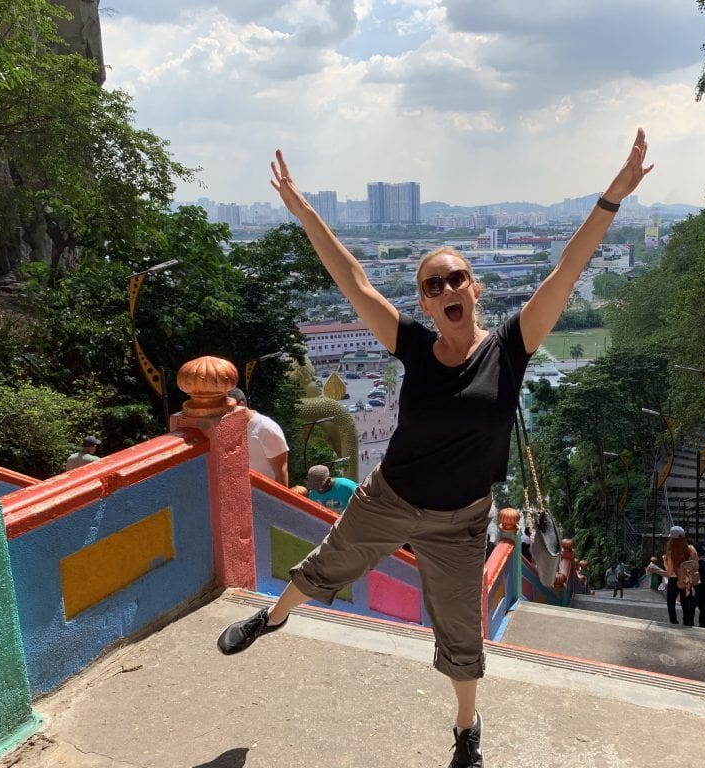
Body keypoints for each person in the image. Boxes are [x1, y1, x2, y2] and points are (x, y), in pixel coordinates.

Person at [217, 130, 652, 768]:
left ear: (475, 289)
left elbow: (567, 269)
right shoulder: (413, 347)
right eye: (432, 285)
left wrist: (612, 197)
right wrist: (306, 214)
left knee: (460, 631)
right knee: (327, 563)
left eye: (457, 279)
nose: (447, 290)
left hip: (461, 522)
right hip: (390, 497)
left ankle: (466, 734)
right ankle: (271, 618)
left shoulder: (513, 346)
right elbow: (353, 280)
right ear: (423, 300)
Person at [228, 387, 290, 486]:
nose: (224, 415)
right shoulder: (229, 428)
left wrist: (278, 501)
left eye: (228, 410)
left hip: (266, 495)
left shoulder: (266, 428)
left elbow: (281, 473)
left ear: (241, 405)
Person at [646, 525, 698, 626]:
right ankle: (687, 622)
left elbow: (669, 573)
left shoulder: (670, 553)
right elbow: (696, 566)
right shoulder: (691, 549)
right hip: (686, 579)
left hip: (674, 581)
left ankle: (674, 622)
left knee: (671, 602)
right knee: (685, 603)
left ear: (672, 539)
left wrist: (657, 568)